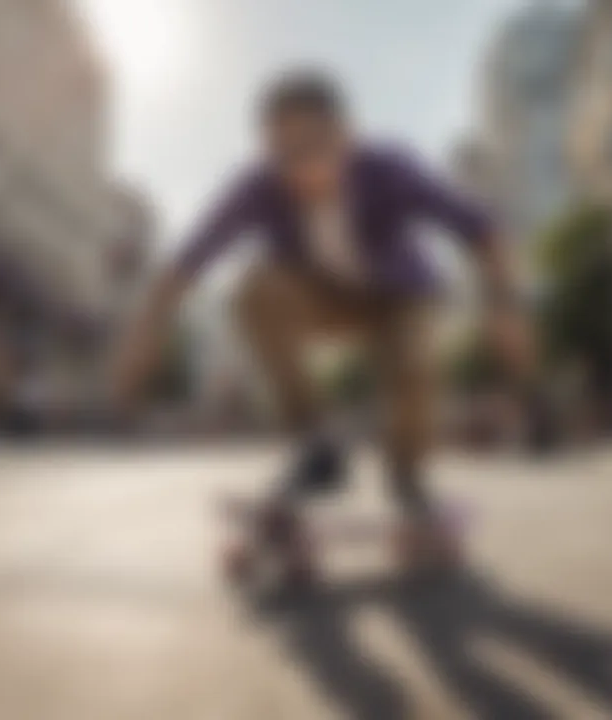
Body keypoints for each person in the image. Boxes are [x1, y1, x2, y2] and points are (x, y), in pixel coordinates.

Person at [112, 69, 535, 565]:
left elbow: (481, 228)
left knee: (412, 360)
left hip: (398, 298)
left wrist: (504, 307)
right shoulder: (258, 185)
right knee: (254, 290)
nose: (302, 167)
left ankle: (408, 477)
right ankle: (317, 443)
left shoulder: (389, 167)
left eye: (316, 146)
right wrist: (147, 330)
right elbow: (192, 256)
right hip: (323, 298)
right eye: (283, 152)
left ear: (346, 134)